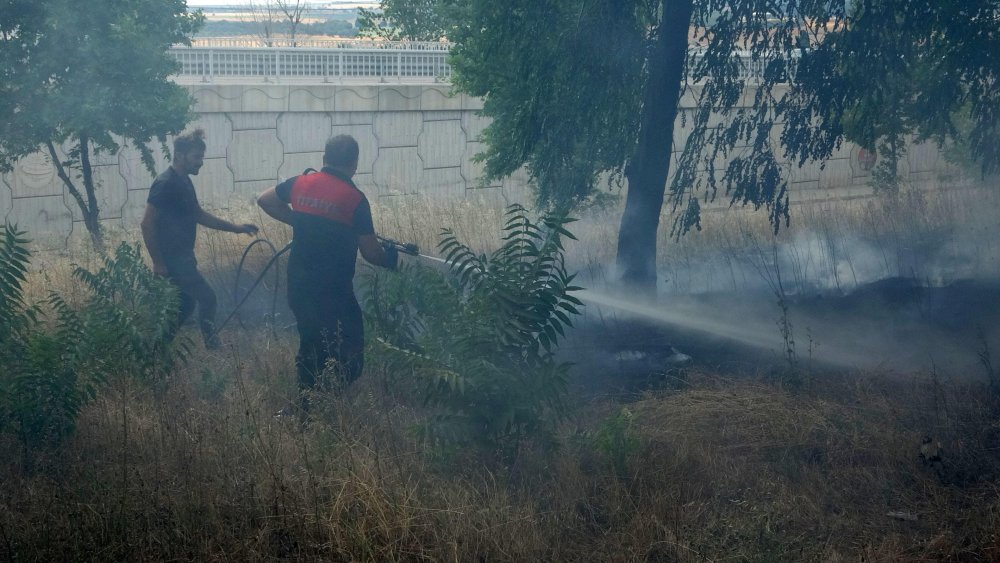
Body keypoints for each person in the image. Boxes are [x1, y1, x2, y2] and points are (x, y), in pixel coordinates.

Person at [257, 134, 397, 403]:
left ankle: (309, 403)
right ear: (354, 163)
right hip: (334, 292)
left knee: (311, 342)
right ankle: (318, 402)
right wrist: (390, 259)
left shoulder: (301, 183)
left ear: (324, 159)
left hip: (298, 284)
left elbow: (265, 200)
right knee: (351, 347)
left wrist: (298, 220)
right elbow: (370, 252)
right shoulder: (355, 199)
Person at [141, 129, 258, 349]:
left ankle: (156, 352)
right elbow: (147, 223)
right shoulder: (165, 183)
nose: (201, 163)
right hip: (172, 261)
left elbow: (198, 215)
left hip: (184, 258)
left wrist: (236, 228)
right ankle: (212, 346)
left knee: (185, 305)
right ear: (179, 155)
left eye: (201, 157)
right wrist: (158, 262)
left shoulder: (184, 181)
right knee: (207, 298)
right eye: (196, 157)